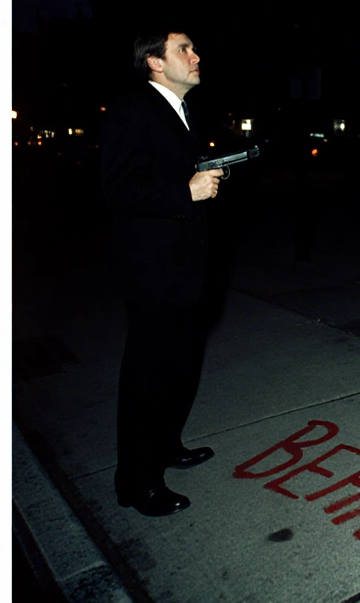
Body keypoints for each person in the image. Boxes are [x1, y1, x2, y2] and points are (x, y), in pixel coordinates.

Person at [101, 30, 224, 517]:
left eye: (195, 48)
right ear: (154, 62)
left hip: (185, 268)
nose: (196, 56)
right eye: (184, 50)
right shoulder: (132, 112)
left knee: (179, 365)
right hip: (152, 273)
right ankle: (135, 480)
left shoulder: (181, 111)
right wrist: (185, 192)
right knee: (147, 375)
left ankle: (166, 445)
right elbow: (116, 192)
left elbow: (167, 175)